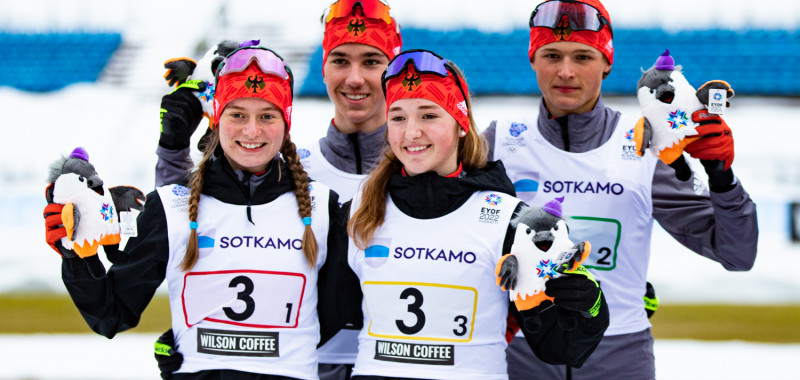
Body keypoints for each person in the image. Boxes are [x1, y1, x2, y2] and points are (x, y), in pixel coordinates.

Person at [482, 1, 759, 379]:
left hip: (618, 356)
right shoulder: (499, 142)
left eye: (582, 56)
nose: (566, 71)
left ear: (607, 63)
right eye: (551, 55)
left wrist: (722, 177)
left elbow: (737, 253)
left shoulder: (645, 145)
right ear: (533, 60)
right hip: (523, 353)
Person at [44, 44, 351, 379]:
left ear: (285, 122)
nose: (252, 130)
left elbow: (339, 315)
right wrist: (77, 254)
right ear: (216, 118)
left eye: (267, 115)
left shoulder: (324, 207)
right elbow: (111, 314)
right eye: (237, 114)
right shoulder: (171, 205)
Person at [153, 2, 403, 379]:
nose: (354, 78)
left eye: (371, 61)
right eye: (339, 60)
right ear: (323, 68)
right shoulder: (292, 169)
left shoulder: (426, 166)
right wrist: (175, 143)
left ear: (393, 69)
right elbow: (190, 219)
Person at [343, 49, 609, 379]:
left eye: (428, 115)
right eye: (398, 117)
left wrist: (590, 306)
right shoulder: (361, 210)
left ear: (460, 125)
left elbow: (559, 348)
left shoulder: (513, 222)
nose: (411, 132)